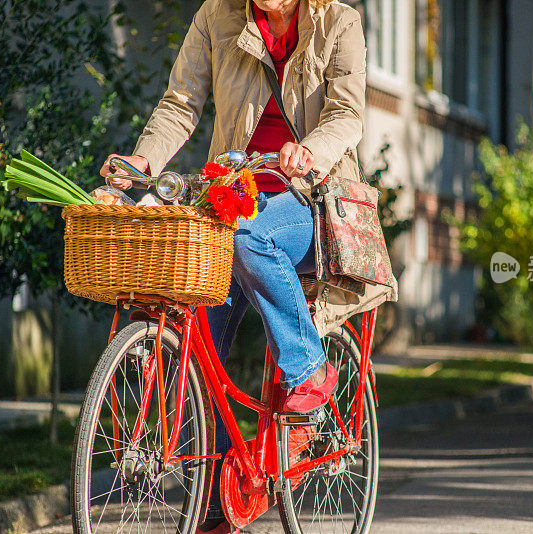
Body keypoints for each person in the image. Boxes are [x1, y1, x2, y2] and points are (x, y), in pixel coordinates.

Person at [99, 0, 391, 531]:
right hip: (235, 195)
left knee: (251, 234)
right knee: (201, 343)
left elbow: (347, 113)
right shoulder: (218, 16)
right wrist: (143, 160)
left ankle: (309, 368)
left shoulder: (339, 22)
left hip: (314, 200)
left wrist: (311, 150)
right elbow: (180, 102)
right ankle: (217, 500)